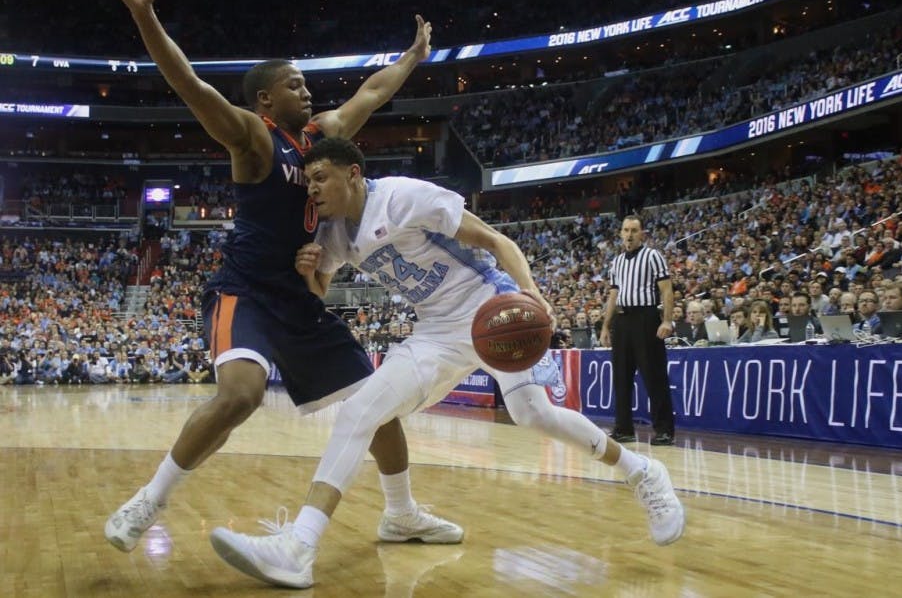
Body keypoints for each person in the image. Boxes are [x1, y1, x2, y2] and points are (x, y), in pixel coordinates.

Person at [99, 0, 458, 554]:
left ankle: (400, 514)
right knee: (239, 396)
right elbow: (188, 83)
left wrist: (412, 57)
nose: (306, 89)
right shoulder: (253, 137)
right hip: (247, 292)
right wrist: (143, 16)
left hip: (300, 298)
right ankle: (148, 501)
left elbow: (371, 93)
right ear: (266, 99)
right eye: (294, 84)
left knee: (375, 402)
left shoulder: (321, 138)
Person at [209, 140, 684, 588]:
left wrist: (532, 294)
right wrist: (310, 272)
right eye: (308, 181)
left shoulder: (404, 198)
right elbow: (318, 293)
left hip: (490, 310)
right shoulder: (332, 233)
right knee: (359, 412)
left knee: (531, 414)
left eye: (320, 177)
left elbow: (497, 242)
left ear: (353, 175)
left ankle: (643, 472)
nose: (311, 189)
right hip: (434, 332)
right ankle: (300, 545)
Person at [599, 215, 676, 446]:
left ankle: (664, 430)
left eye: (634, 230)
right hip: (623, 320)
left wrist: (667, 321)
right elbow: (613, 295)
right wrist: (605, 325)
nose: (629, 235)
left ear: (642, 233)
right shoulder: (617, 261)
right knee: (621, 376)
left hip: (646, 317)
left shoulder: (653, 256)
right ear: (621, 233)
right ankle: (624, 428)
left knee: (654, 376)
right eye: (626, 230)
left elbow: (667, 290)